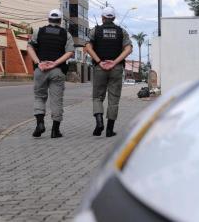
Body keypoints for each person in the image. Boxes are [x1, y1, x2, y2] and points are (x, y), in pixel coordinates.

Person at [85, 7, 133, 137]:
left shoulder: (95, 30)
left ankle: (99, 122)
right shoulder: (121, 32)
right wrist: (115, 62)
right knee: (114, 99)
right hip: (116, 69)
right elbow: (128, 49)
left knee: (97, 97)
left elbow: (88, 47)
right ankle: (109, 130)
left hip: (99, 68)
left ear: (102, 18)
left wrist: (99, 61)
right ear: (114, 18)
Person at [27, 9, 74, 138]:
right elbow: (70, 52)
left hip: (40, 70)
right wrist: (55, 63)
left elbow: (30, 47)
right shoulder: (66, 34)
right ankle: (55, 131)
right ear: (60, 21)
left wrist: (38, 63)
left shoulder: (38, 31)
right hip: (57, 71)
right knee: (56, 100)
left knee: (39, 97)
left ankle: (40, 124)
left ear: (48, 19)